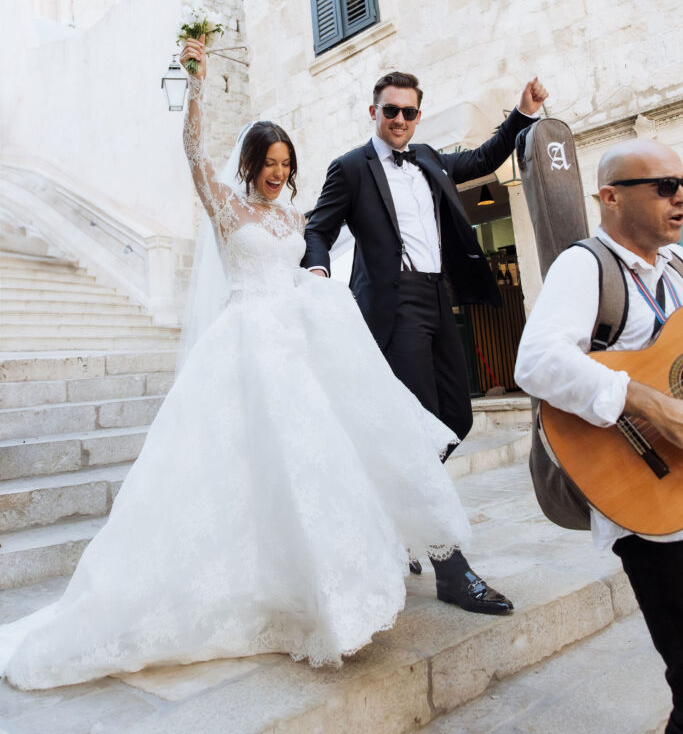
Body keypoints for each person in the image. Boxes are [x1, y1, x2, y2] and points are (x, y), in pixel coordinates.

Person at [0, 39, 472, 690]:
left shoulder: (293, 217)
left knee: (309, 469)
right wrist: (194, 82)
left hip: (296, 349)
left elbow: (310, 261)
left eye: (285, 163)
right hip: (246, 345)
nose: (278, 172)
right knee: (242, 470)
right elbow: (194, 155)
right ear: (249, 164)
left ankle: (322, 596)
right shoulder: (227, 208)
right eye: (269, 162)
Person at [302, 70, 549, 613]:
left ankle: (394, 515)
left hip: (440, 298)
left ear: (418, 115)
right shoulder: (350, 169)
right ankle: (451, 570)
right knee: (417, 434)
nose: (399, 121)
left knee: (456, 418)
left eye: (408, 113)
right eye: (390, 111)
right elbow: (317, 227)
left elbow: (485, 159)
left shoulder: (430, 157)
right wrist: (317, 269)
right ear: (374, 111)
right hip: (394, 308)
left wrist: (522, 114)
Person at [515, 137, 683, 734]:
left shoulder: (679, 266)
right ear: (610, 197)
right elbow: (534, 362)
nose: (679, 196)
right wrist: (647, 403)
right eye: (664, 185)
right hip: (647, 491)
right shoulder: (586, 266)